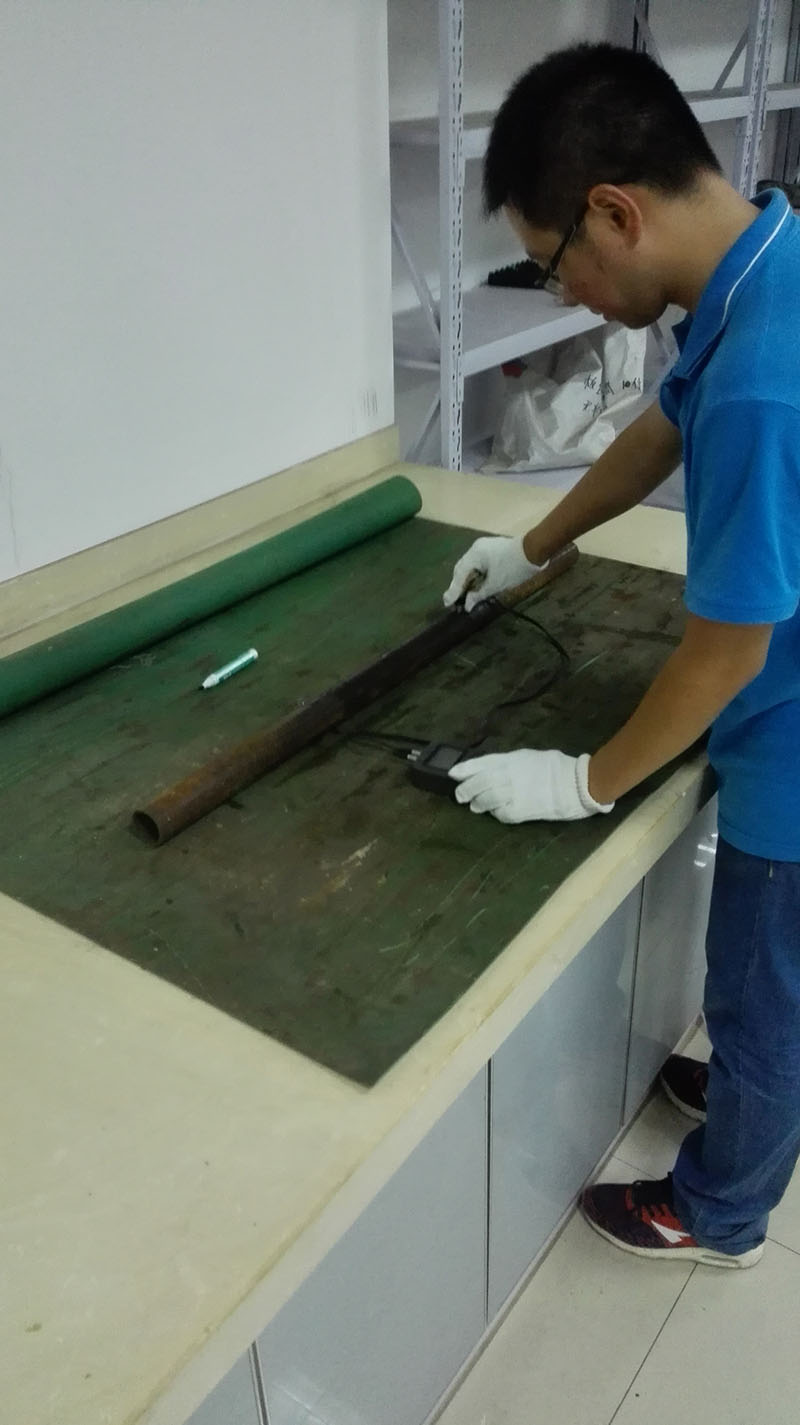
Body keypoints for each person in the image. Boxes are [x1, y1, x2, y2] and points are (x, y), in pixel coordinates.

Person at [443, 43, 800, 1270]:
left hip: (793, 758)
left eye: (555, 265)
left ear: (613, 211)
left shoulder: (761, 378)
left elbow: (726, 655)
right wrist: (531, 542)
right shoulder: (763, 263)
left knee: (758, 983)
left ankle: (722, 1210)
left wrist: (582, 783)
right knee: (772, 992)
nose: (571, 296)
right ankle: (762, 1086)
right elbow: (659, 430)